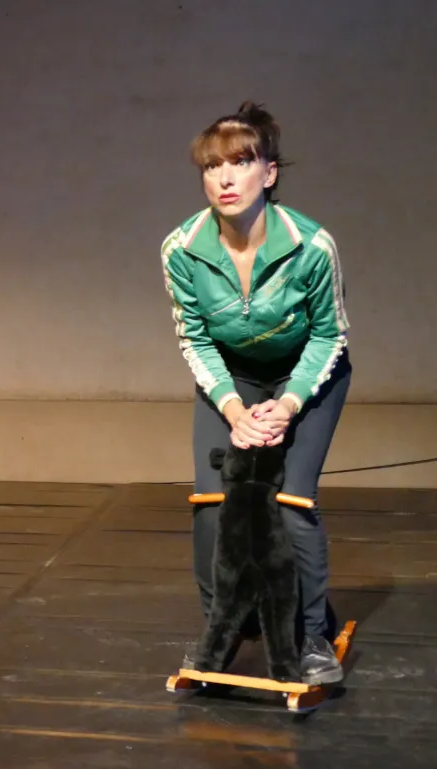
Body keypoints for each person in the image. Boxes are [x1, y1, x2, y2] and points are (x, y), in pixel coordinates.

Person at [161, 101, 351, 685]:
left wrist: (289, 404)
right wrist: (234, 408)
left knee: (291, 503)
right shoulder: (181, 249)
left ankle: (312, 636)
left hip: (307, 372)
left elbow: (329, 336)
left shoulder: (311, 246)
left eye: (240, 163)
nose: (225, 178)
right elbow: (194, 338)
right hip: (234, 377)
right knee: (212, 504)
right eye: (212, 166)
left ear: (268, 173)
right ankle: (219, 630)